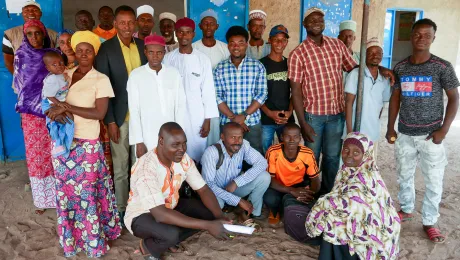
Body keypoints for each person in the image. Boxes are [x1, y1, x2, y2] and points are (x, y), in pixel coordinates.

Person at [45, 30, 121, 257]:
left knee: (87, 193)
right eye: (80, 50)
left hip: (87, 144)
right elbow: (48, 103)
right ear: (74, 52)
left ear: (95, 52)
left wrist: (66, 107)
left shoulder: (101, 79)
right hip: (62, 144)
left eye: (89, 50)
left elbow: (99, 113)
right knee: (66, 193)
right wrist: (52, 113)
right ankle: (72, 240)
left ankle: (94, 241)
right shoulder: (63, 75)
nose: (84, 54)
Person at [386, 18, 459, 244]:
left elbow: (454, 97)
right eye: (418, 34)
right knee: (404, 176)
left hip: (431, 136)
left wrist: (444, 130)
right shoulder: (401, 67)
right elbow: (395, 98)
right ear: (411, 36)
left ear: (433, 38)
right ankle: (406, 209)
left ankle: (429, 221)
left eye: (427, 35)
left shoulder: (442, 66)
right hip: (405, 133)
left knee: (433, 180)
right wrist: (390, 127)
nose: (422, 39)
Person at [125, 122, 231, 260]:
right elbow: (160, 215)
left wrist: (219, 217)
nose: (182, 149)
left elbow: (203, 189)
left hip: (170, 206)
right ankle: (149, 247)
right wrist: (208, 226)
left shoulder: (183, 159)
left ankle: (167, 241)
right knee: (171, 234)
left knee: (208, 213)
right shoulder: (146, 168)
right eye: (175, 145)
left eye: (184, 144)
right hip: (142, 215)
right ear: (161, 141)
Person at [288, 8, 357, 194]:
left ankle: (327, 194)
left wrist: (380, 70)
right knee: (311, 157)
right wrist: (302, 123)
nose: (317, 22)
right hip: (313, 117)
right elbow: (295, 92)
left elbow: (354, 69)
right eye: (312, 20)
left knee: (333, 157)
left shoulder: (337, 46)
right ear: (305, 25)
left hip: (336, 114)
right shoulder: (298, 54)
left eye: (320, 19)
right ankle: (310, 192)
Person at [306, 132, 400, 260]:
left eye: (356, 152)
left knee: (332, 218)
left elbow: (348, 202)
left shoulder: (365, 177)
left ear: (366, 154)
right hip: (363, 224)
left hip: (373, 240)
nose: (349, 155)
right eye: (346, 150)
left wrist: (321, 207)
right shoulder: (352, 169)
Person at [96, 5, 148, 226]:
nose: (127, 27)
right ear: (115, 24)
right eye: (122, 22)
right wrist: (110, 121)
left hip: (143, 117)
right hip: (119, 117)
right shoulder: (106, 49)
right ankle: (120, 208)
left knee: (141, 164)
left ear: (135, 24)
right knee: (120, 167)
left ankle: (141, 205)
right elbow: (103, 88)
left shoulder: (143, 46)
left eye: (130, 22)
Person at [13, 20, 56, 214]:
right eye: (29, 34)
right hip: (31, 115)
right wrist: (23, 113)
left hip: (52, 112)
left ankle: (58, 196)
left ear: (44, 33)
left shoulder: (53, 56)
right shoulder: (21, 56)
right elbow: (20, 86)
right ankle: (42, 199)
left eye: (37, 33)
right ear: (24, 36)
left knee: (55, 154)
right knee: (36, 158)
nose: (34, 38)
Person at [163, 17, 219, 162]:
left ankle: (196, 181)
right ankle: (179, 183)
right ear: (176, 34)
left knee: (197, 149)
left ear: (193, 34)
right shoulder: (168, 59)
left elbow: (208, 91)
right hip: (174, 113)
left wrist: (208, 120)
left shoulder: (202, 59)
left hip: (197, 115)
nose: (184, 36)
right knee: (175, 149)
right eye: (180, 32)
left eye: (187, 32)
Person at [201, 122, 270, 228]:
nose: (237, 142)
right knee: (217, 205)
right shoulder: (212, 152)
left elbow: (262, 163)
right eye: (233, 137)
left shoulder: (244, 146)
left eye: (240, 137)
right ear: (223, 137)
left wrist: (237, 182)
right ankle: (236, 209)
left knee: (264, 177)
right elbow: (208, 185)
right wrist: (238, 200)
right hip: (216, 192)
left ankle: (252, 212)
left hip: (234, 189)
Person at [128, 34, 186, 158]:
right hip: (146, 136)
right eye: (151, 52)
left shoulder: (173, 73)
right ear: (145, 52)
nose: (155, 56)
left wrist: (180, 136)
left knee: (171, 171)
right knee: (148, 172)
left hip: (172, 135)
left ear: (164, 52)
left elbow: (180, 106)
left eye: (159, 52)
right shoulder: (136, 76)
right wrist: (138, 141)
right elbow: (134, 110)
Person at [214, 26, 267, 154]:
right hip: (227, 122)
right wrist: (234, 117)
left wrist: (244, 115)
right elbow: (217, 96)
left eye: (240, 43)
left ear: (246, 45)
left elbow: (262, 94)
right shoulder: (219, 68)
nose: (236, 47)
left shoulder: (257, 66)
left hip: (252, 123)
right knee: (228, 157)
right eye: (232, 43)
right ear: (228, 46)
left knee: (254, 156)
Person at [263, 123, 320, 225]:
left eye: (295, 137)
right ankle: (275, 211)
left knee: (306, 198)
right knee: (269, 198)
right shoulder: (273, 152)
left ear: (300, 138)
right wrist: (291, 191)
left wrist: (310, 193)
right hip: (278, 185)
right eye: (287, 136)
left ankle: (289, 208)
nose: (292, 140)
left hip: (299, 185)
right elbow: (269, 179)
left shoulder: (307, 153)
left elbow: (315, 179)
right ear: (281, 137)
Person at [344, 37, 390, 158]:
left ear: (382, 55)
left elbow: (381, 106)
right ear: (364, 55)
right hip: (356, 130)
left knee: (368, 167)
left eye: (378, 53)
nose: (375, 56)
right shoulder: (356, 74)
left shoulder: (384, 79)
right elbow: (348, 103)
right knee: (350, 166)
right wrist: (349, 132)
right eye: (371, 53)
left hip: (372, 132)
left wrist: (376, 122)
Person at [192, 9, 230, 147]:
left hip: (221, 99)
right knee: (199, 136)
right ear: (200, 26)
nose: (208, 27)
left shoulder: (225, 49)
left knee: (218, 136)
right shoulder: (193, 48)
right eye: (205, 23)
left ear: (217, 26)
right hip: (198, 100)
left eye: (211, 23)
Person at [3, 0, 57, 91]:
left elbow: (57, 59)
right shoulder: (10, 34)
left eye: (34, 10)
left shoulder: (53, 34)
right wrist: (21, 80)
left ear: (40, 13)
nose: (31, 13)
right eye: (26, 10)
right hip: (24, 86)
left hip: (48, 85)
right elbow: (8, 61)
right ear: (22, 14)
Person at [260, 25, 294, 154]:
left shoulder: (290, 64)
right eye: (276, 39)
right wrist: (269, 113)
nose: (279, 43)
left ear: (286, 42)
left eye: (283, 40)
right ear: (270, 40)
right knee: (266, 153)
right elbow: (255, 94)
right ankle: (267, 175)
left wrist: (290, 112)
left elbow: (295, 92)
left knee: (287, 153)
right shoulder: (261, 64)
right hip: (266, 119)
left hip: (286, 118)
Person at [41, 51, 74, 158]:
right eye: (54, 65)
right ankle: (59, 145)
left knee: (65, 122)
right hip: (50, 103)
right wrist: (59, 104)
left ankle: (64, 143)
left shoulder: (62, 74)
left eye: (60, 62)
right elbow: (49, 95)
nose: (59, 66)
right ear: (48, 68)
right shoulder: (52, 79)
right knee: (56, 123)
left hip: (56, 102)